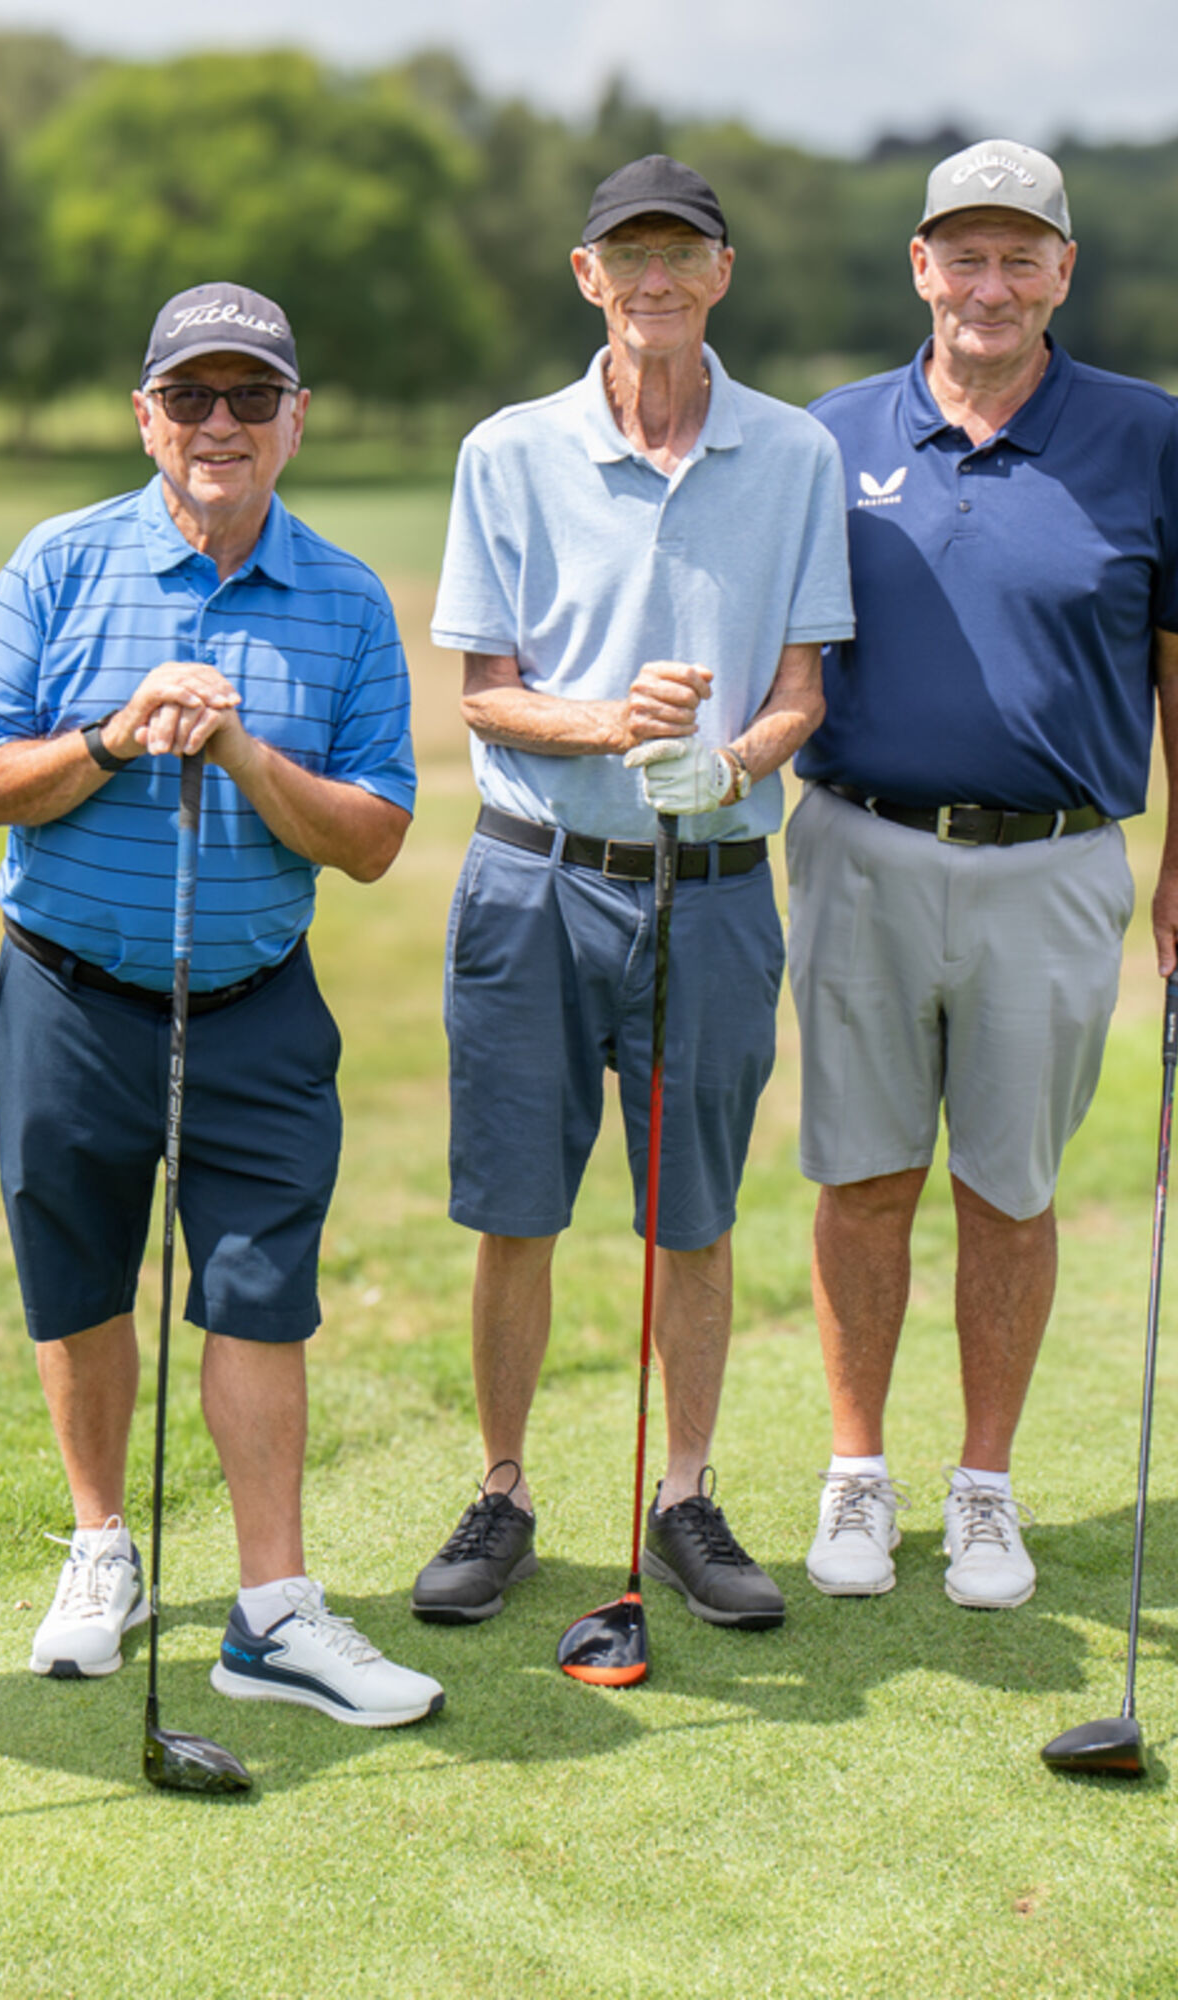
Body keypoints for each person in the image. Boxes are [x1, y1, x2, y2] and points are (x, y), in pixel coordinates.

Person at [0, 282, 442, 1727]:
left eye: (251, 396)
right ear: (145, 416)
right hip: (68, 993)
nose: (221, 422)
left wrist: (243, 753)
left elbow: (374, 838)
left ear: (297, 418)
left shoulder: (347, 597)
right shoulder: (58, 561)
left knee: (259, 1292)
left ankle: (272, 1613)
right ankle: (103, 1548)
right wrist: (108, 738)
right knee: (79, 1278)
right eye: (191, 396)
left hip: (255, 1003)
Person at [413, 156, 853, 1635]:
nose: (654, 280)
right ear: (586, 275)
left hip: (714, 884)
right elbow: (484, 693)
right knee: (516, 1210)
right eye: (628, 256)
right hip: (535, 881)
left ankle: (686, 1498)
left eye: (681, 254)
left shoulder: (795, 455)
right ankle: (503, 1491)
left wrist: (731, 761)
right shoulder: (508, 451)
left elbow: (801, 692)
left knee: (694, 1216)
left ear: (722, 273)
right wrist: (613, 724)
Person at [791, 140, 1178, 1609]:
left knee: (1008, 1189)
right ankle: (856, 1473)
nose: (992, 285)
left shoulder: (1149, 436)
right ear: (921, 267)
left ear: (1064, 272)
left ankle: (985, 1490)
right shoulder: (830, 436)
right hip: (860, 849)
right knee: (862, 1175)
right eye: (966, 255)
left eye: (1023, 257)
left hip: (1057, 863)